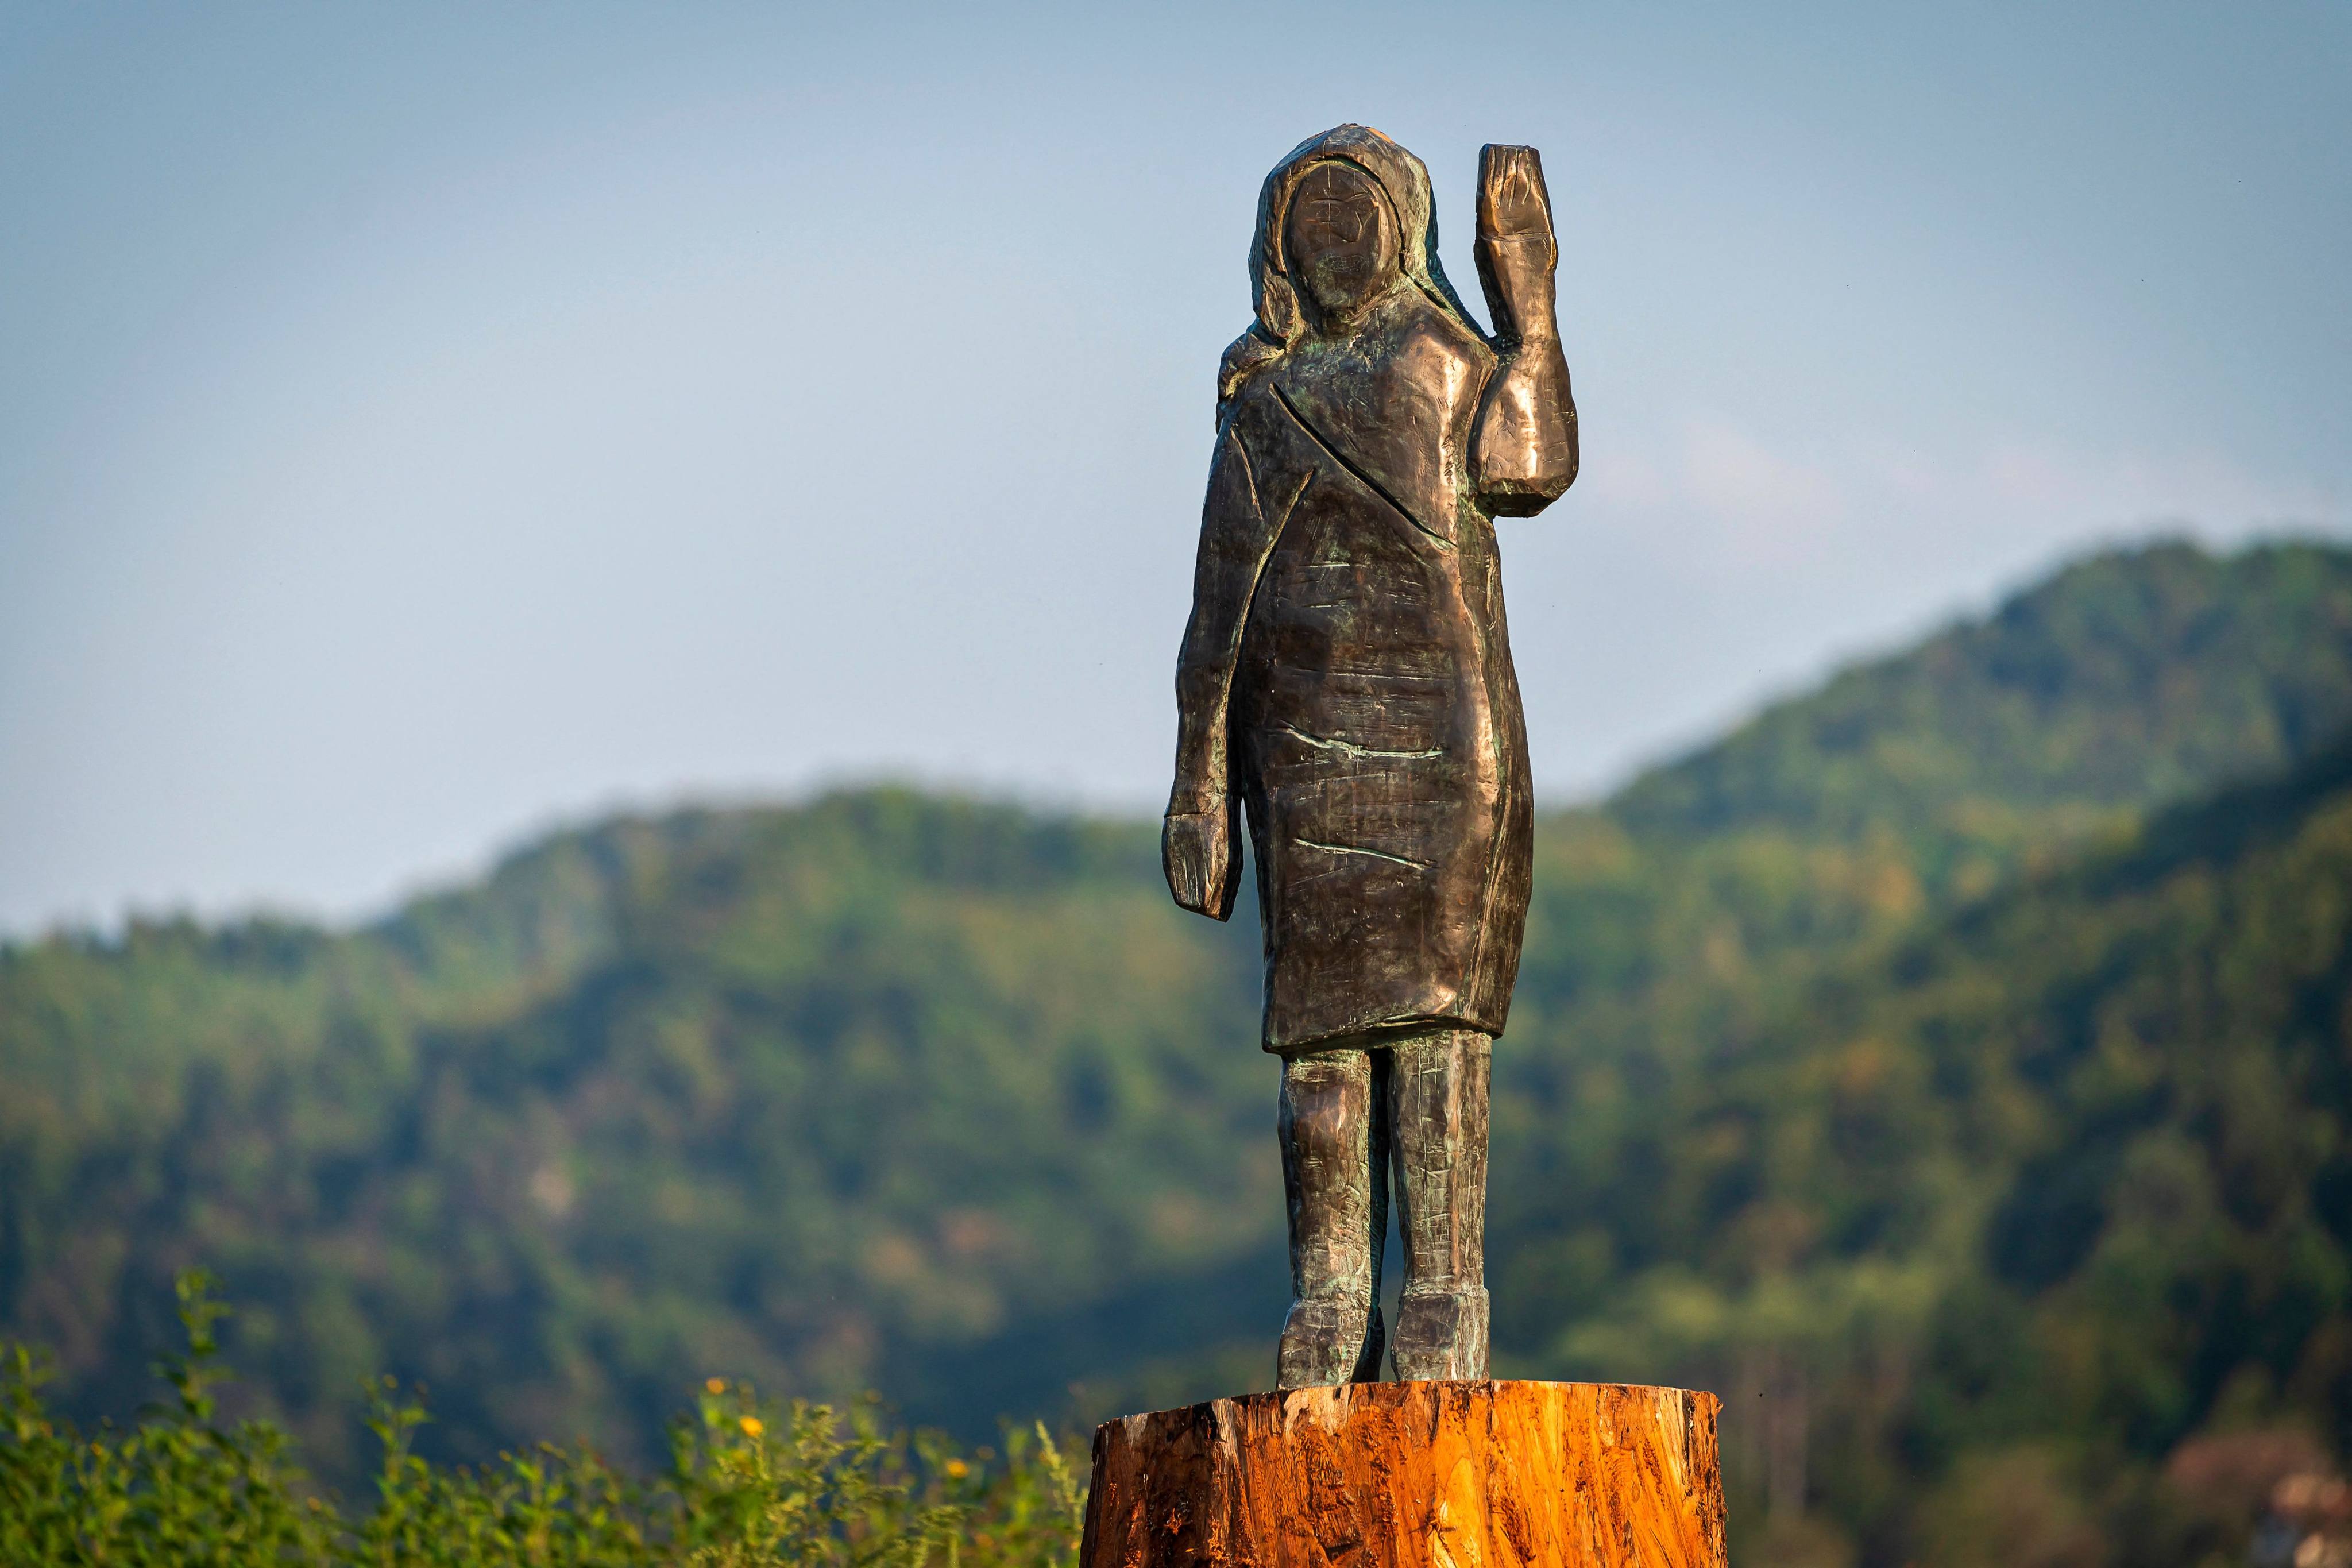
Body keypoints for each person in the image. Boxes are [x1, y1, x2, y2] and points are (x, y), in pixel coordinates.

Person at [1164, 125, 1578, 1386]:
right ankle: (1329, 1299)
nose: (1335, 242)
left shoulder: (1449, 364)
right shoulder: (1259, 400)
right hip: (1299, 751)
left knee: (1438, 1028)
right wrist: (1198, 782)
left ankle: (1444, 1291)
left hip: (1444, 735)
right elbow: (1217, 609)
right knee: (1320, 1047)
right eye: (1312, 222)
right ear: (1278, 245)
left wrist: (1529, 301)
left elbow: (1531, 469)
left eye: (1356, 217)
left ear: (1402, 234)